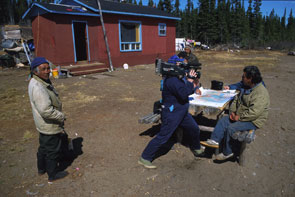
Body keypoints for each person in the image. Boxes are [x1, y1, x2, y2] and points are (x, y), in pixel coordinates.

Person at [138, 64, 204, 169]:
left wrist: (192, 82)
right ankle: (145, 158)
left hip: (181, 112)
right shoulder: (172, 81)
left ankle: (196, 148)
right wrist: (190, 80)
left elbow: (186, 90)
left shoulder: (177, 79)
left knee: (194, 128)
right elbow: (184, 93)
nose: (183, 71)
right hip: (172, 114)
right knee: (163, 137)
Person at [201, 66, 270, 160]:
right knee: (224, 120)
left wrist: (239, 117)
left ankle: (227, 152)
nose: (242, 78)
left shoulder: (260, 93)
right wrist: (232, 112)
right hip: (241, 115)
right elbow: (236, 100)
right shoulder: (245, 86)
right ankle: (214, 141)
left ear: (250, 79)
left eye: (244, 77)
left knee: (231, 128)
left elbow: (254, 113)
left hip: (253, 120)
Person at [28, 57, 68, 183]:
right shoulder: (38, 87)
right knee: (52, 150)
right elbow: (46, 111)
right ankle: (52, 175)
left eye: (48, 68)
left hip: (43, 125)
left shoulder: (39, 82)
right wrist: (61, 116)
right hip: (49, 125)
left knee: (44, 148)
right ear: (35, 71)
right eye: (43, 69)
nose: (47, 71)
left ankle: (41, 169)